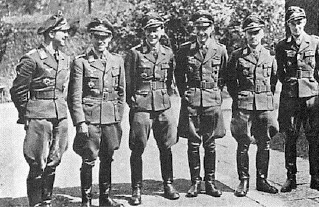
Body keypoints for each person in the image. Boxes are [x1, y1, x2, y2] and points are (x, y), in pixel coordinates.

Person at [9, 12, 71, 207]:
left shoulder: (64, 59)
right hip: (39, 117)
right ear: (51, 33)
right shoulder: (32, 59)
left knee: (54, 161)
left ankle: (47, 201)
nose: (66, 35)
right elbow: (18, 91)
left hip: (59, 116)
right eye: (63, 31)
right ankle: (35, 204)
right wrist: (27, 114)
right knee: (37, 163)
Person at [67, 18, 125, 206]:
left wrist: (118, 116)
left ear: (110, 39)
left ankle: (105, 198)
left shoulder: (117, 60)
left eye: (105, 37)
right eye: (97, 37)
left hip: (110, 118)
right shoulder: (81, 62)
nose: (101, 41)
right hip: (90, 119)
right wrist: (80, 123)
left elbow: (121, 92)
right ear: (91, 37)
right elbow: (74, 96)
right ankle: (86, 200)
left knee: (108, 157)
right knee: (89, 159)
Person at [124, 12, 180, 205]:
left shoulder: (168, 53)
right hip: (142, 105)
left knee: (167, 146)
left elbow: (170, 78)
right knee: (137, 147)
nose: (152, 34)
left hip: (163, 105)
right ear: (144, 32)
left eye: (156, 30)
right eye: (149, 30)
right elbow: (128, 82)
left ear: (162, 31)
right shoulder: (135, 53)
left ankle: (168, 184)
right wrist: (133, 102)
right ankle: (136, 189)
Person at [275, 6, 319, 193]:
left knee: (314, 136)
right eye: (292, 23)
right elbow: (281, 73)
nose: (296, 26)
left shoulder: (315, 42)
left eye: (299, 22)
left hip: (311, 97)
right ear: (288, 24)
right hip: (291, 97)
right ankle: (291, 178)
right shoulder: (282, 46)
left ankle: (316, 178)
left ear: (304, 22)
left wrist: (313, 84)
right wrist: (292, 84)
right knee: (290, 136)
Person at [175, 10, 228, 198]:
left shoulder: (220, 50)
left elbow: (224, 75)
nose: (202, 32)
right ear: (194, 29)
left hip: (212, 100)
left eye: (205, 28)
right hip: (192, 99)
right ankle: (195, 182)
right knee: (193, 143)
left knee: (210, 143)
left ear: (211, 28)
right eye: (198, 28)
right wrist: (187, 94)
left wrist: (215, 92)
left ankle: (210, 182)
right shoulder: (184, 50)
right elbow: (179, 76)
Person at [225, 15, 279, 197]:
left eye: (256, 32)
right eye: (250, 33)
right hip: (244, 104)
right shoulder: (237, 56)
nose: (253, 36)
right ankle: (244, 180)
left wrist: (264, 95)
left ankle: (262, 180)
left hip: (264, 104)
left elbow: (273, 80)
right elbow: (231, 82)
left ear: (262, 33)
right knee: (243, 142)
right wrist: (241, 97)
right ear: (245, 35)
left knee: (265, 142)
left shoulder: (270, 55)